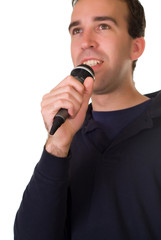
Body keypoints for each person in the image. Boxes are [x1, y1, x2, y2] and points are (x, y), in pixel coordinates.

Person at [14, 0, 161, 239]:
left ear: (136, 47)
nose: (86, 42)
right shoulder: (66, 139)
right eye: (77, 30)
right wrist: (56, 146)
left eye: (103, 26)